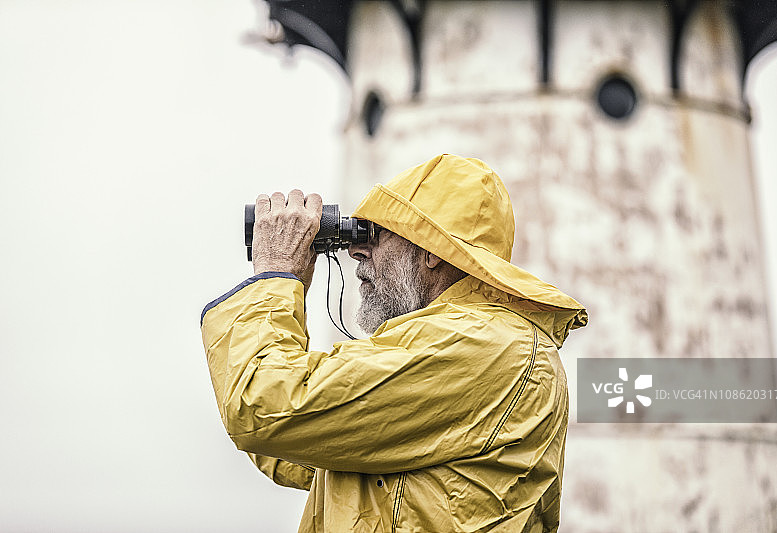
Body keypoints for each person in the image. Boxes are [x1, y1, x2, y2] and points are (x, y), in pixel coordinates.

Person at [200, 154, 587, 532]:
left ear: (432, 251)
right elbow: (289, 442)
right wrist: (289, 284)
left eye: (375, 234)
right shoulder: (466, 342)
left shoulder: (484, 344)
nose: (355, 250)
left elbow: (265, 406)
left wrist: (276, 275)